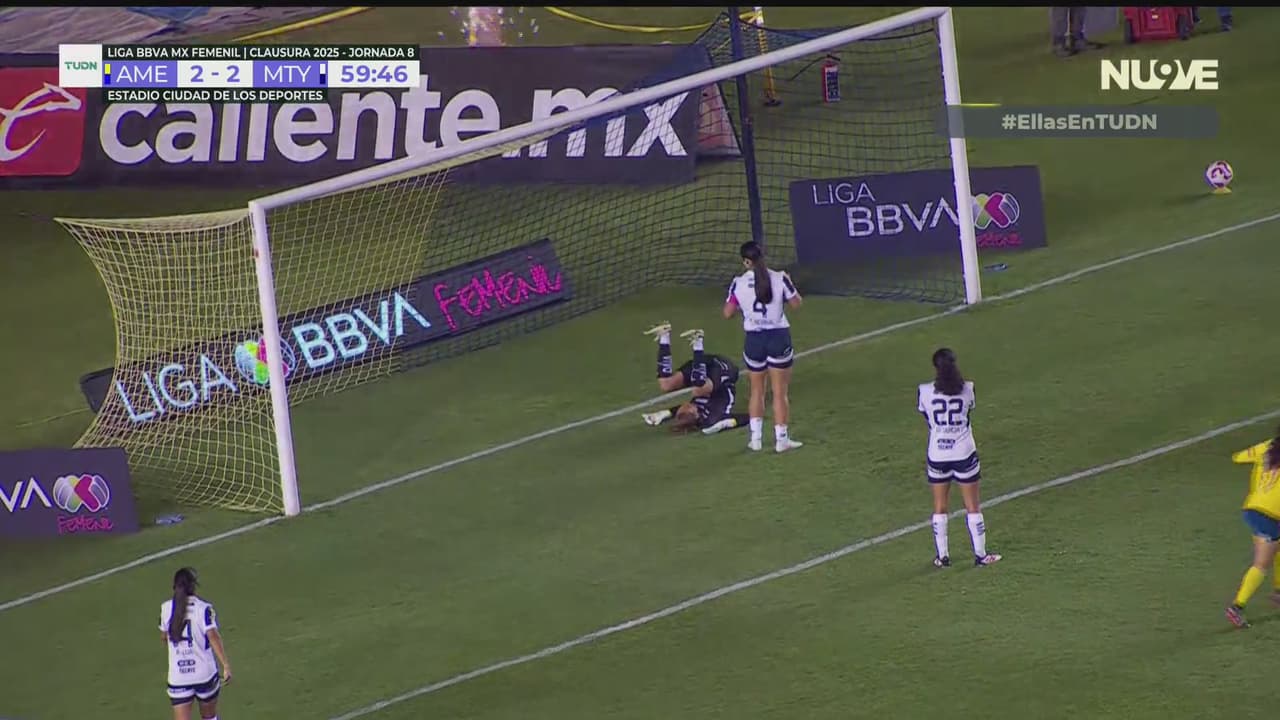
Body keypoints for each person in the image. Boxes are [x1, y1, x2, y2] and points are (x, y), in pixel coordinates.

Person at [918, 348, 1001, 568]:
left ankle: (943, 557)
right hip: (964, 451)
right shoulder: (968, 389)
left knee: (940, 506)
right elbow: (968, 411)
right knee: (972, 505)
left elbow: (928, 418)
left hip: (937, 453)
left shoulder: (924, 391)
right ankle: (981, 555)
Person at [723, 241, 802, 453]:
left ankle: (756, 439)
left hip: (754, 340)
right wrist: (790, 283)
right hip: (778, 338)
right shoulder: (779, 278)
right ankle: (781, 440)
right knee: (779, 393)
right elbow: (796, 304)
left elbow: (727, 313)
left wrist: (745, 309)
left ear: (745, 262)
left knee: (756, 390)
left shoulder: (738, 283)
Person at [641, 324, 749, 435]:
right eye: (683, 411)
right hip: (723, 369)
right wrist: (730, 423)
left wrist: (665, 413)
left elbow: (680, 410)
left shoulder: (692, 410)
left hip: (701, 370)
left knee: (666, 385)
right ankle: (698, 342)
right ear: (695, 414)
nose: (683, 405)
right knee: (698, 390)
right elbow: (744, 418)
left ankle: (664, 337)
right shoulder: (713, 416)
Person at [1224, 427, 1280, 628]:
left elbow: (1238, 457)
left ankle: (1279, 592)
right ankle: (1237, 607)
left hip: (1254, 508)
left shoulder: (1267, 447)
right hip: (1270, 515)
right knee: (1261, 564)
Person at [160, 567, 232, 719]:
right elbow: (213, 636)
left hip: (179, 676)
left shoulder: (166, 609)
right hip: (204, 674)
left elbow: (164, 637)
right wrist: (225, 665)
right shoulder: (203, 609)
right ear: (193, 586)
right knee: (209, 717)